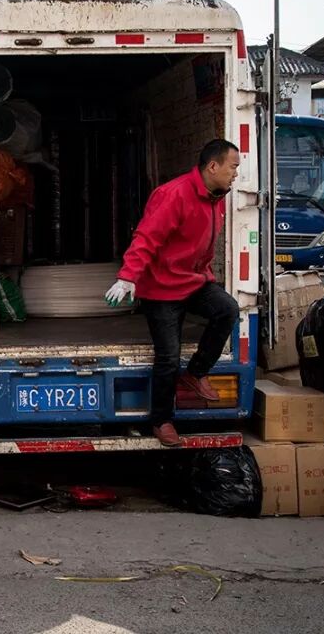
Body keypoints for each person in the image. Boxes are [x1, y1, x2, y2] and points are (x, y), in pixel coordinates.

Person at [105, 139, 241, 447]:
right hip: (161, 288)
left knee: (227, 309)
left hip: (193, 281)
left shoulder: (216, 198)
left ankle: (197, 372)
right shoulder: (173, 195)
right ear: (213, 166)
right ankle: (162, 420)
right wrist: (128, 277)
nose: (236, 174)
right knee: (168, 357)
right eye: (233, 167)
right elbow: (146, 238)